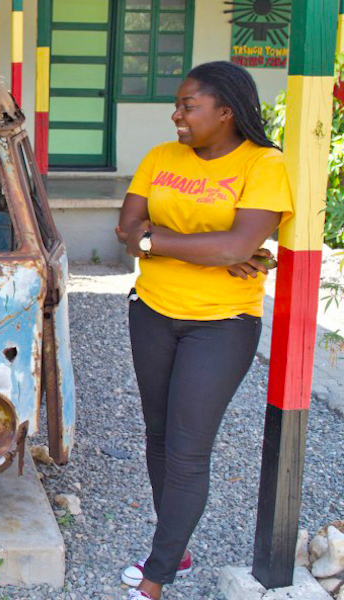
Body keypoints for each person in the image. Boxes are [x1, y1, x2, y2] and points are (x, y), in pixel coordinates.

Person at [115, 61, 293, 600]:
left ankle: (156, 578)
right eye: (177, 105)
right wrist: (211, 251)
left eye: (188, 106)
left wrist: (160, 241)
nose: (177, 115)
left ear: (225, 112)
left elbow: (236, 248)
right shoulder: (161, 157)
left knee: (189, 448)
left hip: (221, 324)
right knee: (158, 435)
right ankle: (177, 546)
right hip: (151, 310)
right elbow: (126, 229)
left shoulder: (263, 165)